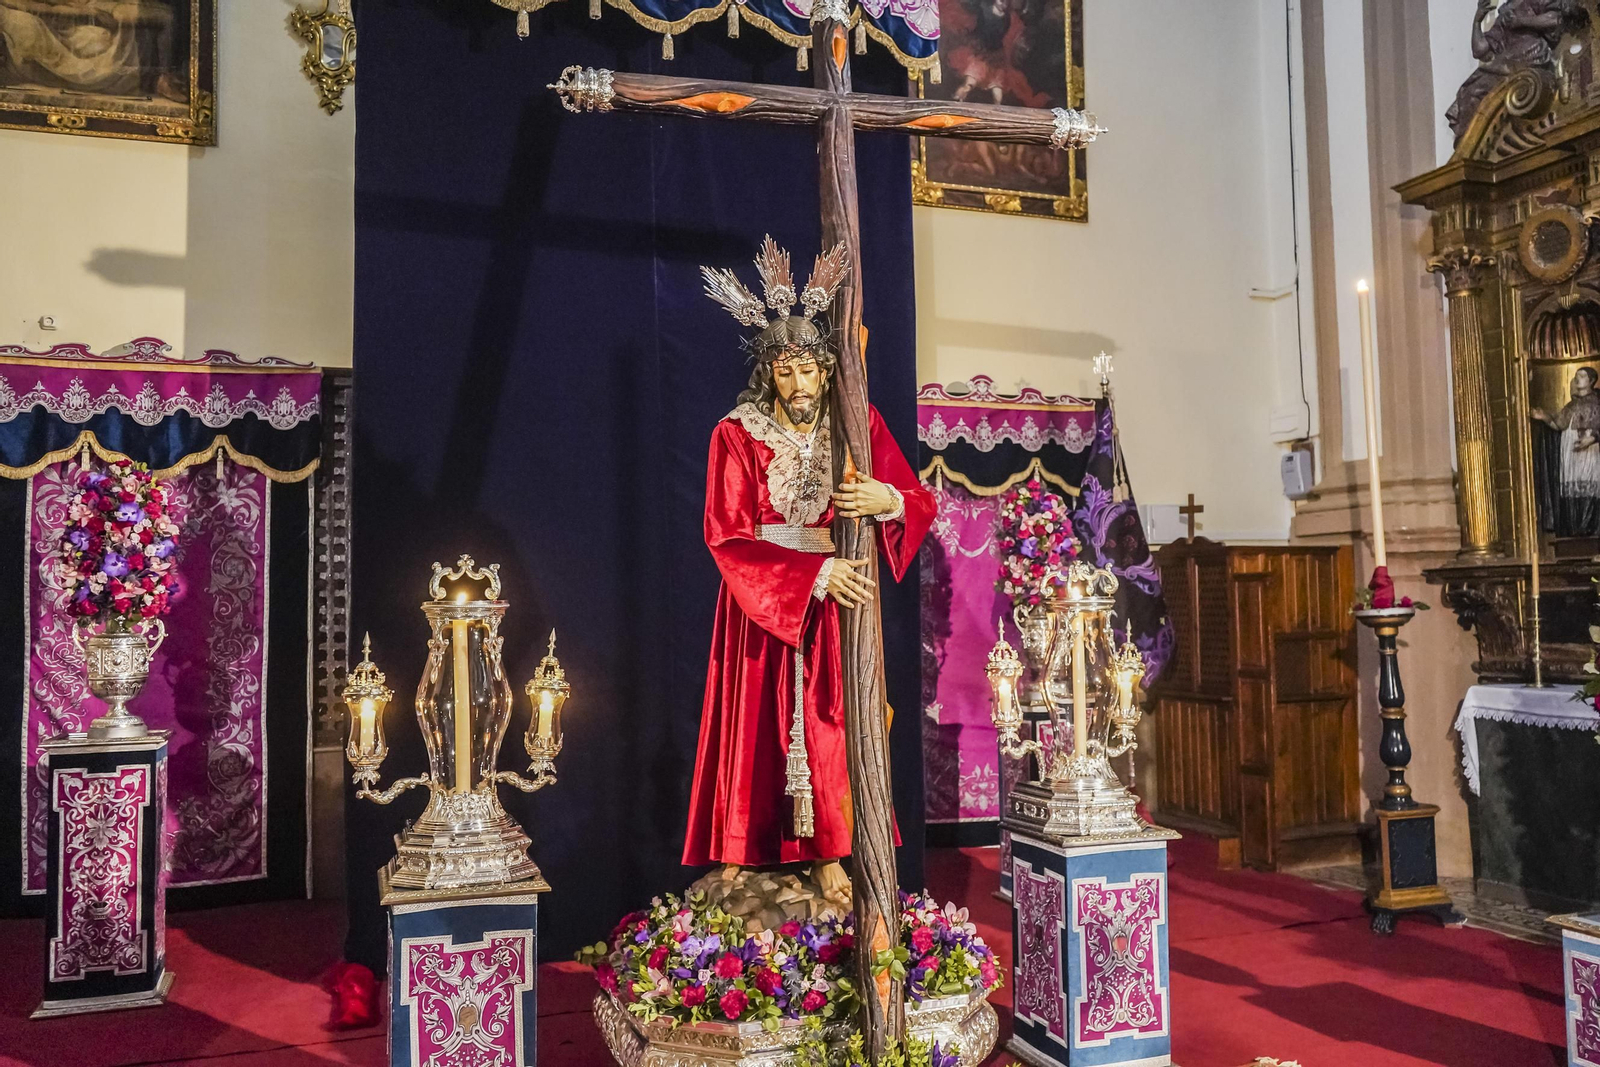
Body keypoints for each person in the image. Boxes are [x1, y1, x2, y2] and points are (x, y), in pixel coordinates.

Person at [682, 237, 934, 910]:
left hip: (839, 603)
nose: (798, 384)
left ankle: (831, 853)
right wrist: (809, 577)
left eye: (808, 370)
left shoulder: (856, 426)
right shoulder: (735, 433)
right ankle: (739, 852)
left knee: (834, 723)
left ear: (826, 370)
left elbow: (916, 498)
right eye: (785, 371)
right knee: (753, 720)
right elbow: (726, 534)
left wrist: (886, 499)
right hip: (764, 601)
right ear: (769, 373)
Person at [1531, 365, 1600, 536]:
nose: (1578, 379)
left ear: (1591, 381)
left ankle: (1590, 530)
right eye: (1577, 375)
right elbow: (1558, 424)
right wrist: (1544, 417)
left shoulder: (1597, 402)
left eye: (1582, 376)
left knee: (1589, 487)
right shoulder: (1571, 405)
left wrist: (1591, 439)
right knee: (1572, 490)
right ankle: (1575, 529)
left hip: (1589, 452)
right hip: (1570, 453)